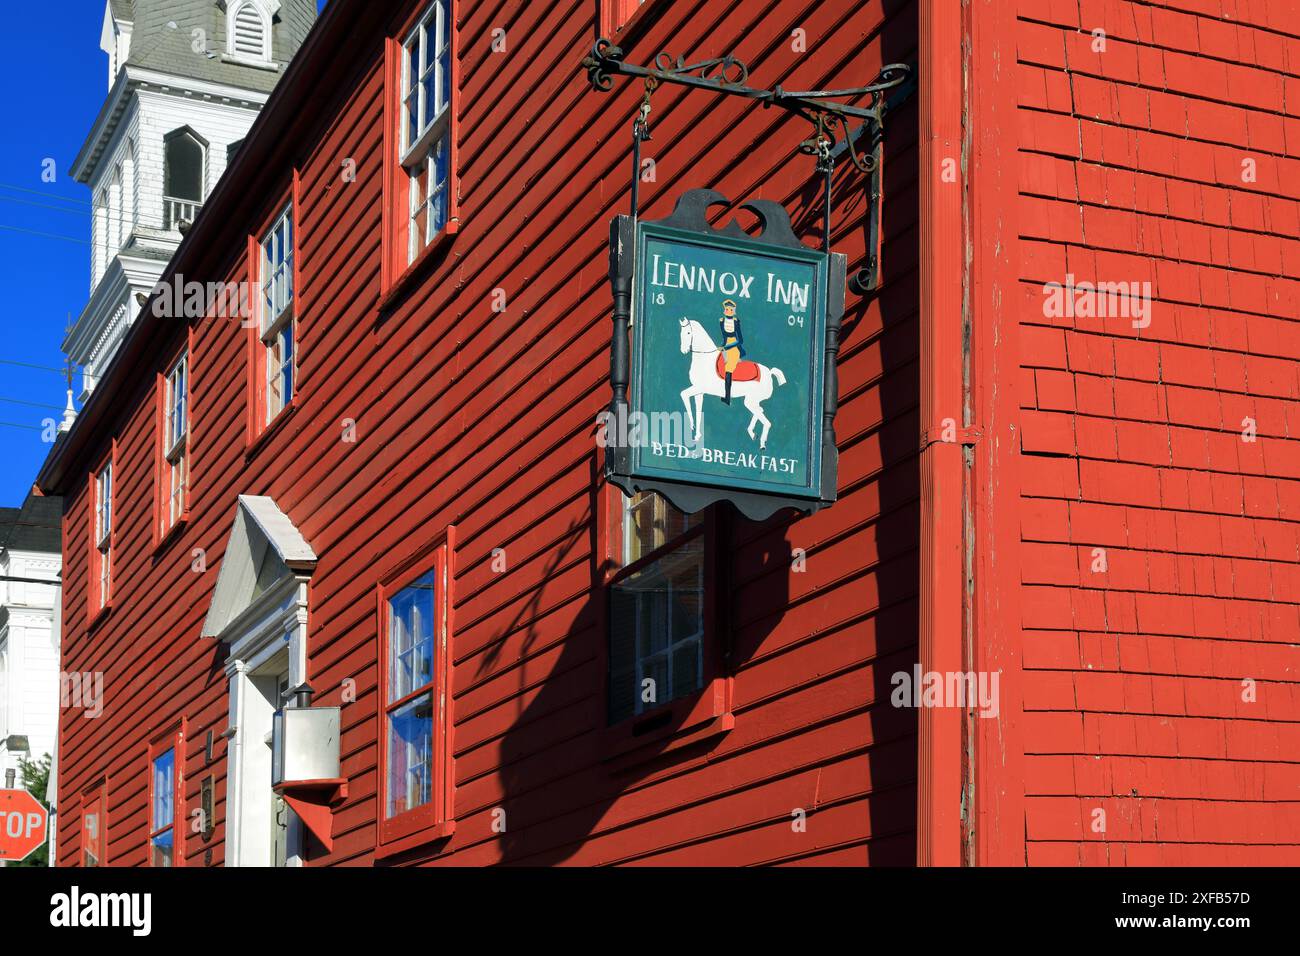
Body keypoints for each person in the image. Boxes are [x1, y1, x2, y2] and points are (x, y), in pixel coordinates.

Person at [718, 299, 744, 405]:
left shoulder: (736, 322)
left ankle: (727, 398)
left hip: (734, 347)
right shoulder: (721, 321)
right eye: (727, 309)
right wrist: (722, 346)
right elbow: (724, 337)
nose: (729, 311)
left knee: (728, 370)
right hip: (726, 346)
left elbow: (740, 340)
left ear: (734, 311)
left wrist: (727, 347)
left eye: (731, 309)